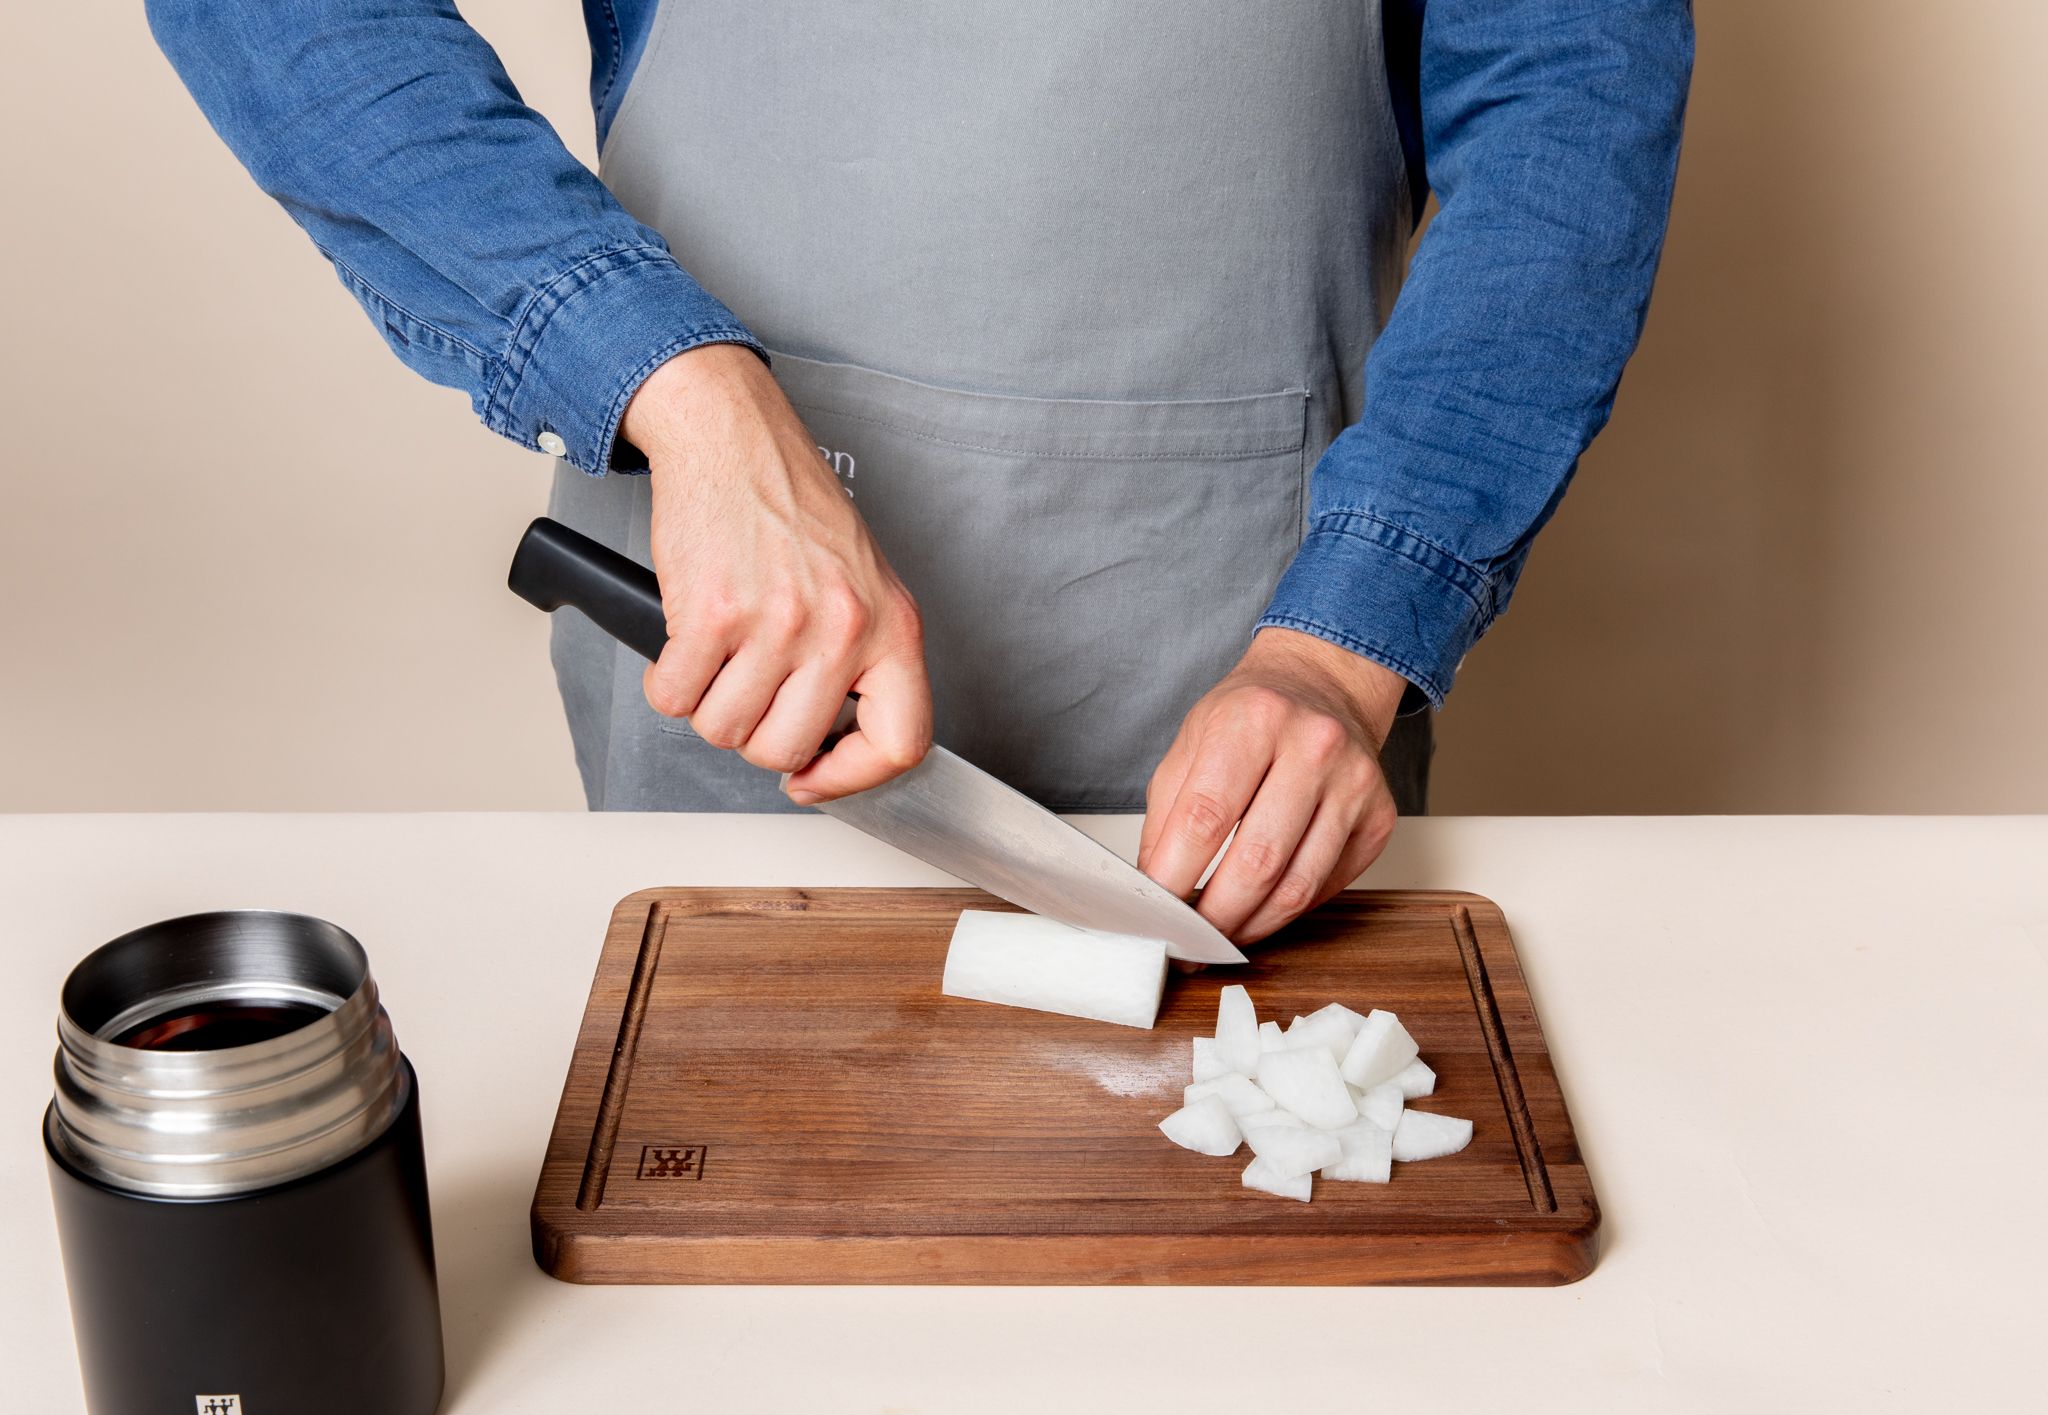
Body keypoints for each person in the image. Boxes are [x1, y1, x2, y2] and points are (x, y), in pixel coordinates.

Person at [149, 0, 1691, 945]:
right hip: (731, 630)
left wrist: (1355, 639)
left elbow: (1572, 98)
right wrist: (677, 392)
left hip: (1250, 658)